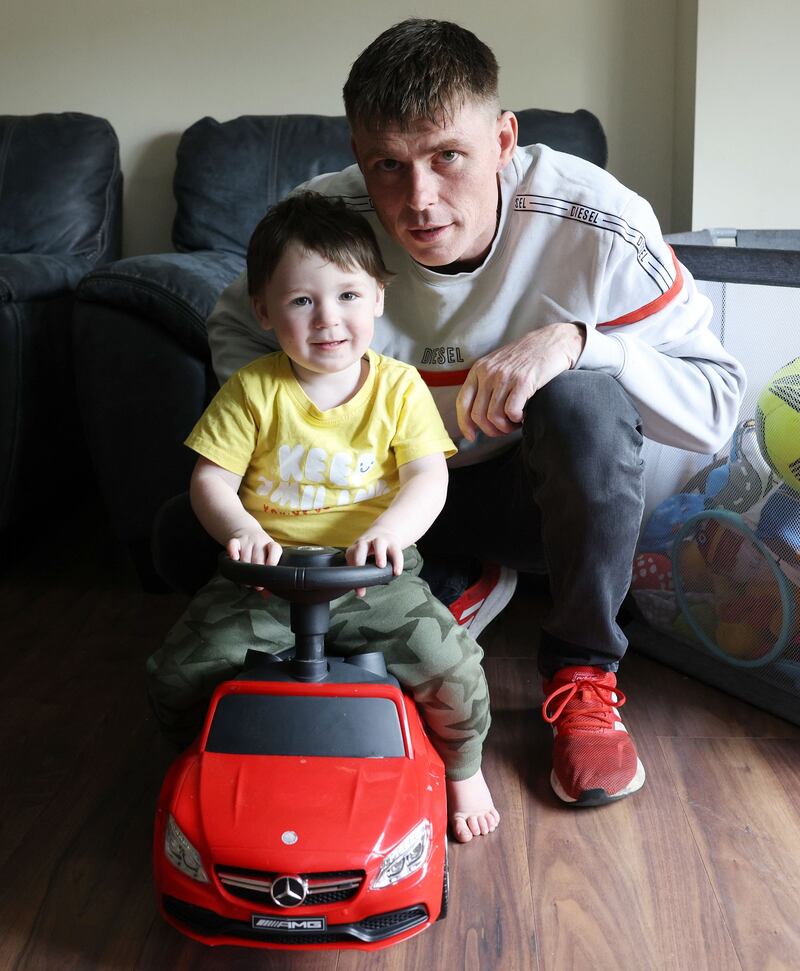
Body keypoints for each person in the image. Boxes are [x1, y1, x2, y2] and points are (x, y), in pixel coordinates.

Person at [204, 19, 747, 806]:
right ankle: (454, 581)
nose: (418, 200)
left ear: (503, 138)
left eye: (446, 157)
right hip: (370, 503)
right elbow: (232, 321)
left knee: (586, 394)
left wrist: (580, 341)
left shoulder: (596, 221)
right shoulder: (321, 220)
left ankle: (585, 673)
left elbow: (720, 406)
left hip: (527, 490)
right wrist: (287, 414)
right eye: (387, 165)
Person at [147, 191, 500, 842]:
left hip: (374, 572)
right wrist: (241, 530)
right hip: (266, 576)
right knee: (179, 669)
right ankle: (201, 762)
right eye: (302, 300)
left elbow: (428, 474)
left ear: (379, 298)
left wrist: (390, 531)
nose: (328, 319)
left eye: (347, 296)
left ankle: (463, 766)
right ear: (264, 310)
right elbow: (210, 479)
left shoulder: (399, 388)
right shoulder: (252, 390)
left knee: (449, 662)